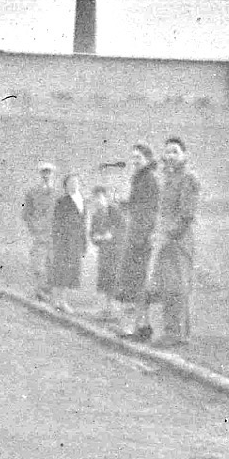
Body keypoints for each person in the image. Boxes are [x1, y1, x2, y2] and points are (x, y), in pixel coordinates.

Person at [145, 137, 200, 349]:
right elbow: (163, 212)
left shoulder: (188, 179)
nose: (169, 156)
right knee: (167, 285)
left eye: (175, 152)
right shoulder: (168, 179)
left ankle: (176, 333)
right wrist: (158, 233)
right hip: (166, 238)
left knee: (177, 286)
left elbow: (186, 215)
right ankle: (174, 331)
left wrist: (168, 235)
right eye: (167, 152)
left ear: (184, 155)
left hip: (179, 240)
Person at [116, 143, 160, 342]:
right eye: (133, 157)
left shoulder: (148, 180)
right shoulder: (141, 179)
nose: (135, 161)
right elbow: (137, 206)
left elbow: (150, 210)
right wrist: (124, 204)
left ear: (148, 159)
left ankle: (135, 327)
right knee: (137, 282)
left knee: (135, 281)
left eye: (138, 158)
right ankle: (142, 325)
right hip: (136, 233)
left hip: (140, 237)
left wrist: (143, 235)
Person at [48, 172, 89, 312]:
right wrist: (59, 240)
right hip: (64, 241)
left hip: (76, 242)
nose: (74, 185)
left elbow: (83, 224)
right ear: (66, 186)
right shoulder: (62, 201)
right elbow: (57, 223)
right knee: (60, 270)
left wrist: (84, 243)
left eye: (76, 182)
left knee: (70, 272)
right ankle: (57, 300)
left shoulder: (82, 201)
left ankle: (63, 300)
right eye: (71, 182)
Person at [21, 161, 59, 301]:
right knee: (38, 263)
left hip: (55, 234)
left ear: (53, 174)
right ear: (39, 174)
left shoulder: (58, 193)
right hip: (39, 233)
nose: (46, 175)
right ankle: (38, 290)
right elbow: (26, 214)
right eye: (43, 172)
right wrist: (34, 228)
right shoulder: (32, 193)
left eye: (49, 172)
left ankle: (48, 292)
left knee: (52, 262)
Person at [88, 185, 126, 320]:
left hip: (116, 251)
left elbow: (122, 228)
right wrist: (96, 238)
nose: (98, 201)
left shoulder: (115, 211)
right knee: (105, 279)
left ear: (105, 197)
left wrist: (111, 235)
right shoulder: (96, 215)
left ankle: (115, 310)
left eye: (100, 197)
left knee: (114, 278)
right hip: (104, 252)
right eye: (95, 198)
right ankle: (108, 308)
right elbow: (92, 233)